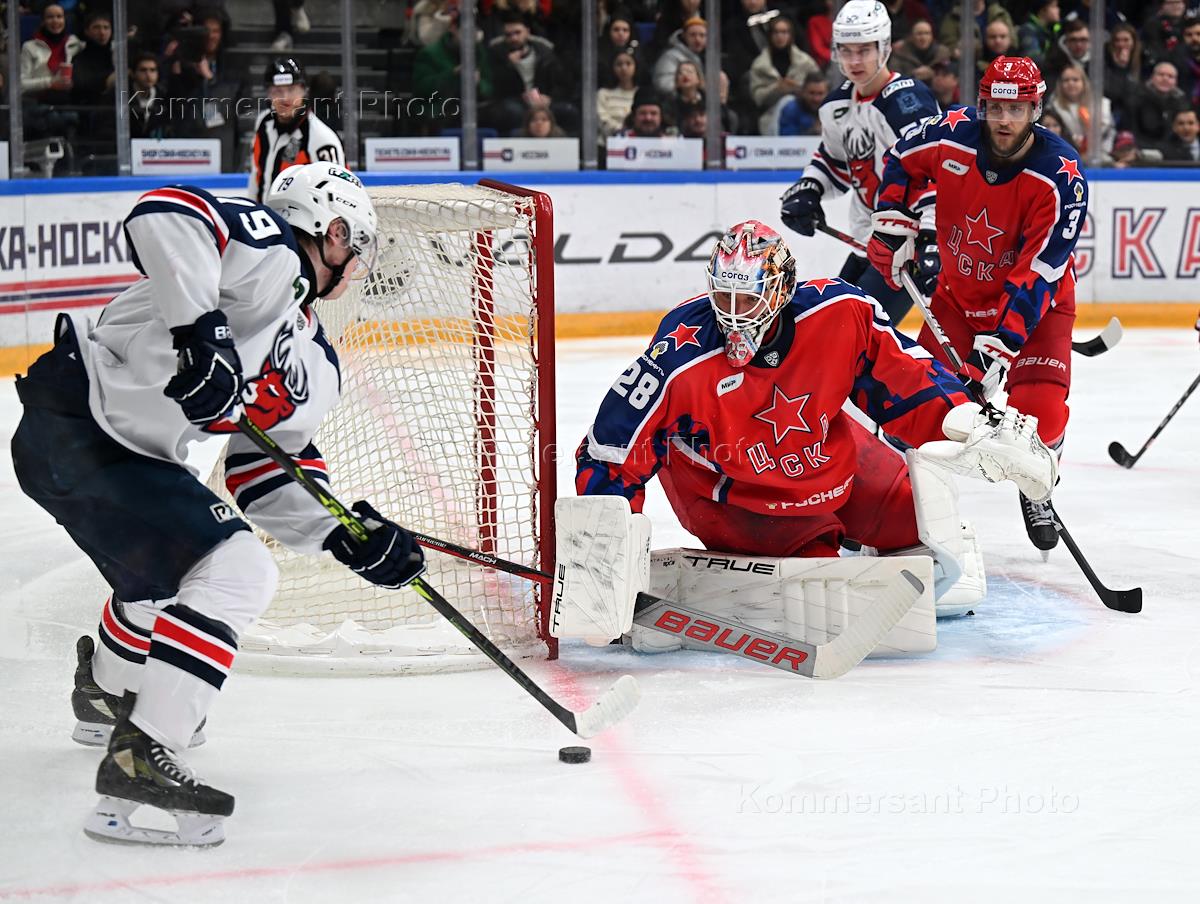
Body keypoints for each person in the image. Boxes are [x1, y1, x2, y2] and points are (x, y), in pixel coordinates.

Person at [12, 163, 425, 846]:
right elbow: (165, 211)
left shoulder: (313, 360)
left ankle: (105, 691)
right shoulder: (268, 248)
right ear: (333, 231)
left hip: (113, 453)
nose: (357, 264)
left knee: (171, 581)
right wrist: (200, 332)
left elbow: (263, 470)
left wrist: (343, 532)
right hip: (81, 418)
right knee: (238, 569)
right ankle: (144, 753)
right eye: (355, 245)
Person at [570, 221, 1055, 646]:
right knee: (818, 573)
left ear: (781, 291)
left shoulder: (839, 312)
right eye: (724, 296)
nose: (734, 313)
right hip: (736, 490)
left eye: (749, 298)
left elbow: (906, 377)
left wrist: (972, 423)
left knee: (915, 523)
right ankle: (822, 538)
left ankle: (846, 531)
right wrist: (602, 563)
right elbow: (610, 450)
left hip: (824, 454)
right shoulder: (679, 355)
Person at [867, 55, 1087, 552]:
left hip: (1038, 311)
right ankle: (892, 503)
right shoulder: (951, 134)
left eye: (1017, 109)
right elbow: (901, 156)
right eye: (996, 108)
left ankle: (1038, 480)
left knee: (1040, 412)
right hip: (958, 299)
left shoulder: (1060, 176)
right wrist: (894, 222)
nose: (1004, 120)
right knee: (915, 405)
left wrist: (999, 348)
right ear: (983, 105)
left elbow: (1039, 273)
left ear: (1036, 109)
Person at [779, 0, 940, 327]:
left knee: (853, 335)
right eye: (846, 51)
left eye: (864, 50)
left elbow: (935, 175)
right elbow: (836, 164)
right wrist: (810, 188)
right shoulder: (836, 106)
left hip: (905, 248)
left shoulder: (908, 102)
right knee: (833, 329)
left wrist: (930, 236)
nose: (854, 61)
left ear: (885, 48)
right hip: (868, 243)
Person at [248, 58, 343, 204]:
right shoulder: (263, 123)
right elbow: (256, 175)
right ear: (268, 94)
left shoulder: (322, 138)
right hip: (261, 216)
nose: (285, 98)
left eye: (292, 89)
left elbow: (337, 196)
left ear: (304, 91)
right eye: (277, 91)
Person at [1045, 64, 1114, 158]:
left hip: (1099, 151)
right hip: (1065, 151)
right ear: (1060, 84)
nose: (1071, 83)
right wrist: (1073, 141)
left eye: (1075, 79)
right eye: (1066, 80)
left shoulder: (1101, 103)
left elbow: (1107, 132)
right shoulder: (1053, 106)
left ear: (1084, 82)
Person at [889, 19, 949, 85]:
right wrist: (913, 75)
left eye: (927, 33)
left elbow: (949, 76)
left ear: (932, 36)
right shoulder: (900, 52)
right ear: (911, 36)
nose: (923, 38)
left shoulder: (942, 53)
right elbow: (894, 78)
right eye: (919, 34)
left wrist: (933, 74)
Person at [597, 48, 639, 137]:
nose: (624, 68)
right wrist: (623, 131)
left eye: (628, 64)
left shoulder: (641, 93)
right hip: (608, 140)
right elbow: (602, 120)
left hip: (638, 140)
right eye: (619, 64)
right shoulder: (603, 93)